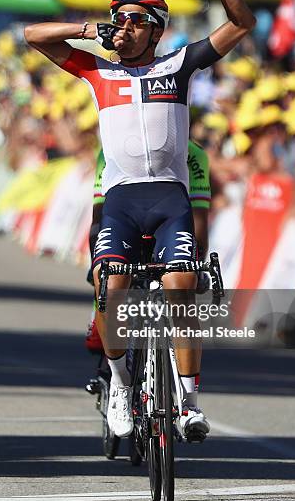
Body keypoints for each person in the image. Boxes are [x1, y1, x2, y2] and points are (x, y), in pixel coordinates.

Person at [24, 0, 256, 440]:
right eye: (117, 20)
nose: (121, 28)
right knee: (111, 293)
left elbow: (242, 21)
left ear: (156, 28)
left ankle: (189, 404)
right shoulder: (97, 72)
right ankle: (123, 390)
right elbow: (31, 36)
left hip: (169, 199)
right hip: (123, 201)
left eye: (132, 21)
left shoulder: (178, 66)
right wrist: (89, 31)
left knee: (181, 293)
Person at [86, 139, 212, 353]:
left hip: (171, 224)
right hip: (126, 222)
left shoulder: (194, 154)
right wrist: (96, 265)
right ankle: (100, 315)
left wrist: (196, 263)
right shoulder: (109, 151)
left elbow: (199, 216)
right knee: (109, 275)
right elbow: (99, 216)